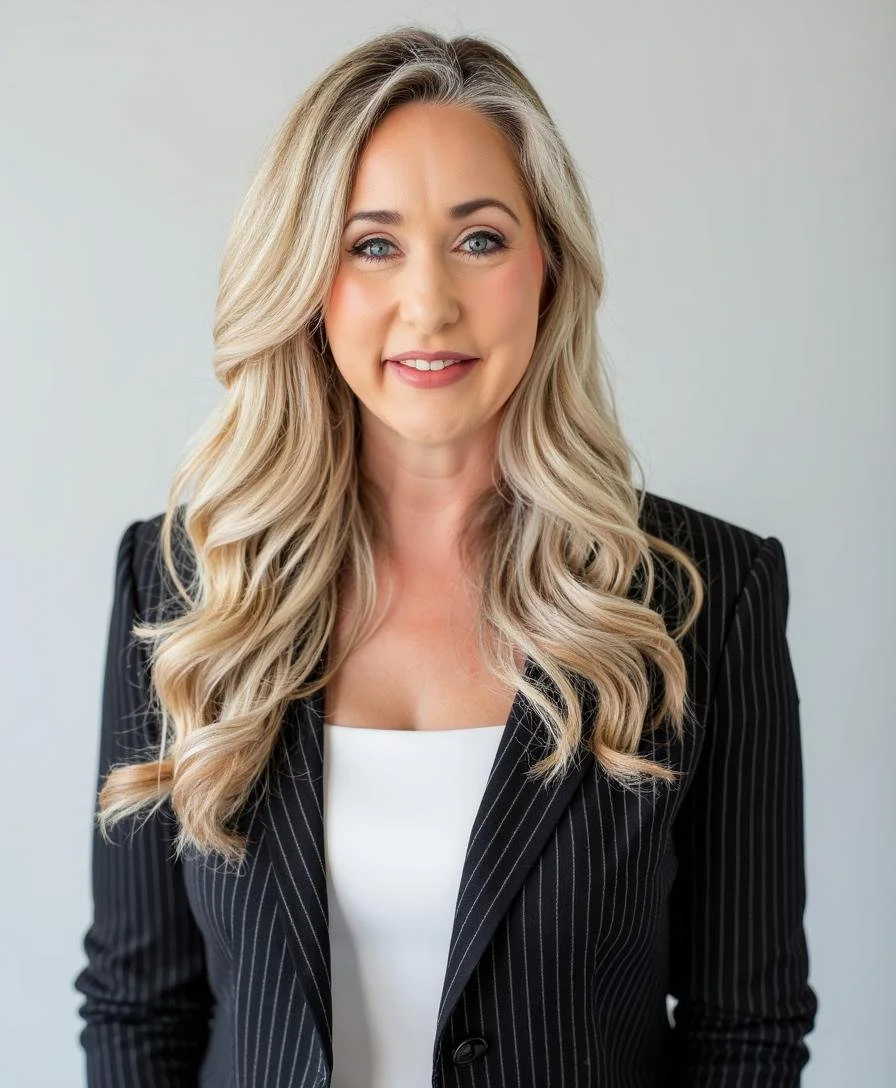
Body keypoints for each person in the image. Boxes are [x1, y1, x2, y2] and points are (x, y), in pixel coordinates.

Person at [73, 25, 818, 1088]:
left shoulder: (703, 596)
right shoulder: (187, 586)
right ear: (305, 277)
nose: (429, 304)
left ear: (548, 266)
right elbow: (138, 1009)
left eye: (479, 238)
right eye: (371, 245)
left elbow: (745, 1029)